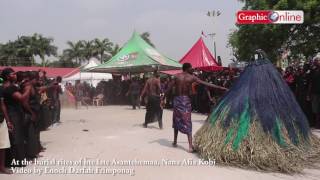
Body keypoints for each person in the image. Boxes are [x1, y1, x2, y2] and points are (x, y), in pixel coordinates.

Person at [166, 63, 227, 153]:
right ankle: (190, 147)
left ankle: (175, 142)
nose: (193, 69)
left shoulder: (176, 76)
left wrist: (163, 98)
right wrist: (220, 87)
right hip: (185, 100)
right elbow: (206, 83)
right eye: (191, 68)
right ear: (187, 68)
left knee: (176, 120)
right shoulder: (192, 78)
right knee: (187, 121)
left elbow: (169, 88)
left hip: (177, 100)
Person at [1, 68, 32, 166]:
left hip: (11, 115)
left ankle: (12, 161)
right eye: (13, 74)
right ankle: (18, 161)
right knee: (17, 138)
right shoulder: (10, 88)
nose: (15, 75)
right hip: (15, 115)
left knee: (12, 138)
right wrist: (28, 89)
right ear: (7, 76)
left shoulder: (2, 87)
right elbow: (22, 98)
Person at [0, 77, 12, 174]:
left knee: (3, 145)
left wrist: (8, 121)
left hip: (1, 120)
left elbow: (2, 104)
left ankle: (2, 167)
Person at [308, 58, 320, 128]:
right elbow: (310, 83)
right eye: (315, 61)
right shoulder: (313, 71)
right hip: (315, 93)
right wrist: (309, 93)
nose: (316, 62)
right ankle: (317, 124)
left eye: (317, 61)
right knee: (315, 109)